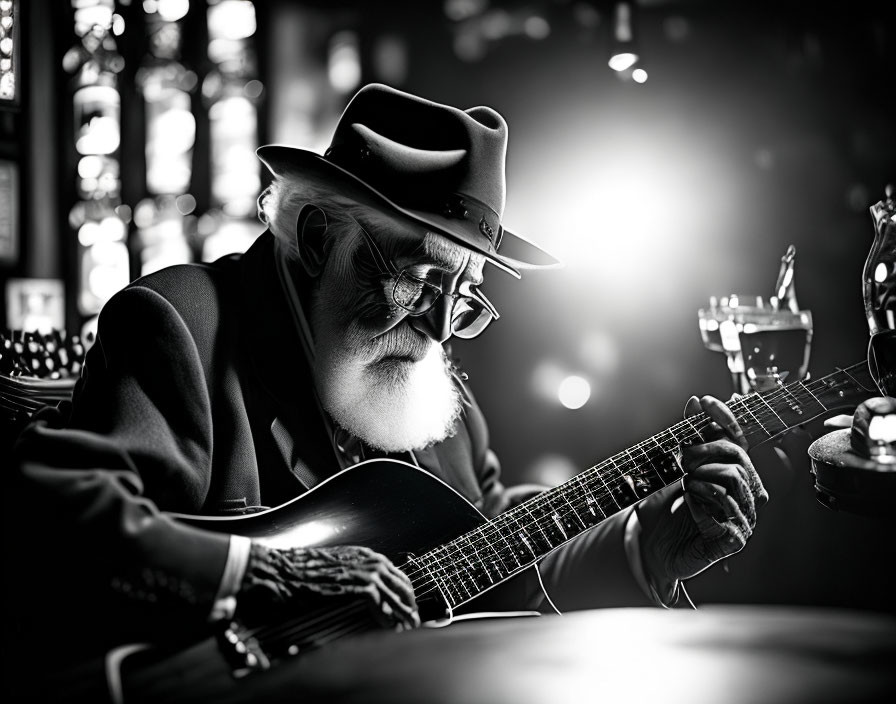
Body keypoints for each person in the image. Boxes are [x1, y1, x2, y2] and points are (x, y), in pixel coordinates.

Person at [7, 84, 766, 694]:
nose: (439, 329)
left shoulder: (434, 388)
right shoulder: (181, 322)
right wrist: (276, 571)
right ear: (315, 242)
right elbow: (49, 510)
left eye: (464, 296)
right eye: (422, 279)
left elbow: (490, 552)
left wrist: (646, 548)